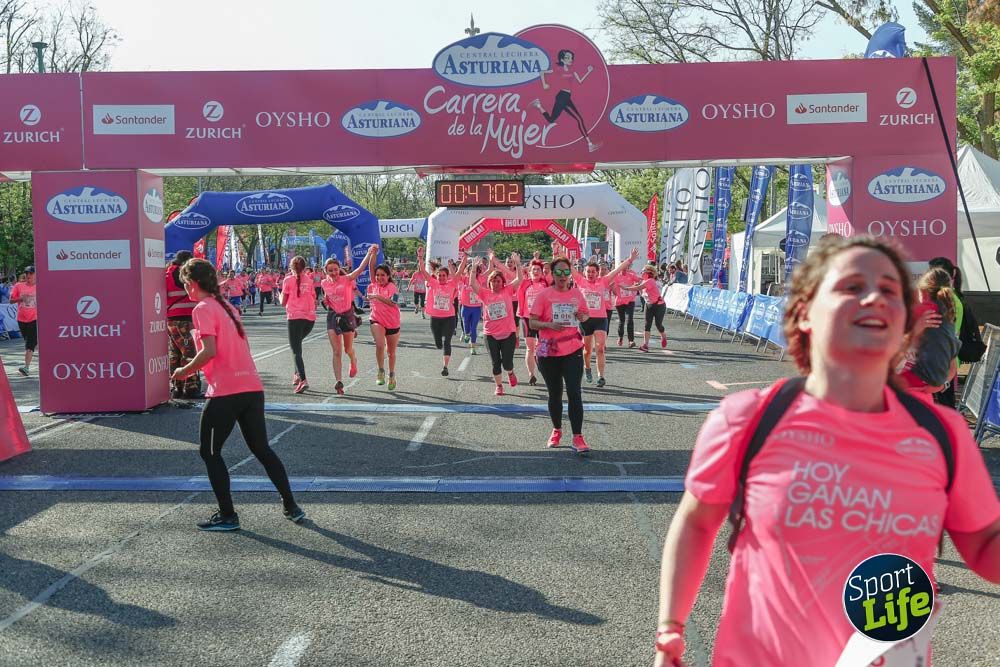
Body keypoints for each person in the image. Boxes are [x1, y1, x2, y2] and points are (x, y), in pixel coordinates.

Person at [653, 235, 1000, 667]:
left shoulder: (942, 433)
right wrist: (671, 628)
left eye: (890, 290)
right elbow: (697, 523)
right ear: (803, 313)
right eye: (852, 286)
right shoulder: (748, 420)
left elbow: (987, 544)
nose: (873, 297)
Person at [170, 258, 304, 531]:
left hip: (226, 390)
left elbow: (209, 351)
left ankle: (227, 514)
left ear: (193, 284)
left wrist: (184, 370)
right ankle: (291, 505)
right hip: (251, 387)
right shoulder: (228, 305)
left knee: (209, 452)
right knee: (262, 448)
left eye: (186, 284)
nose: (186, 290)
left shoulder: (202, 308)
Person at [528, 257, 591, 454]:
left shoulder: (577, 294)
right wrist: (548, 325)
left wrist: (583, 317)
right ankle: (556, 430)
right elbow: (531, 322)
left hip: (572, 349)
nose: (563, 276)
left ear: (570, 273)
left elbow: (586, 314)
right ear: (552, 274)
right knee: (555, 393)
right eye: (559, 272)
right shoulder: (544, 295)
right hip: (549, 352)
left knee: (574, 392)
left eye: (566, 272)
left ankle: (578, 437)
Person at [572, 249, 639, 387]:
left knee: (600, 348)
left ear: (597, 273)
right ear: (584, 272)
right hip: (585, 320)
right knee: (587, 350)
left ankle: (601, 376)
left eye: (593, 272)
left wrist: (630, 260)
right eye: (588, 272)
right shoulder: (580, 281)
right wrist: (560, 252)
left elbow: (616, 270)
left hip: (600, 319)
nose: (590, 274)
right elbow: (570, 269)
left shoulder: (603, 281)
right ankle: (587, 368)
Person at [322, 247, 376, 395]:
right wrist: (325, 301)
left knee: (347, 349)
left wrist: (369, 254)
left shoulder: (346, 279)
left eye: (335, 269)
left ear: (339, 269)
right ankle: (338, 381)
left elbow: (359, 269)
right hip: (333, 316)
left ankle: (353, 361)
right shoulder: (324, 283)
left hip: (347, 316)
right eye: (330, 270)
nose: (333, 273)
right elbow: (327, 298)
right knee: (336, 351)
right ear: (325, 271)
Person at [898, 267, 960, 393]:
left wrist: (914, 332)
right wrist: (942, 384)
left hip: (902, 389)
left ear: (923, 290)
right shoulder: (947, 315)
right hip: (923, 391)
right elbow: (952, 361)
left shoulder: (915, 312)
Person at [469, 256, 523, 395]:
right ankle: (499, 386)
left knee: (507, 363)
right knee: (495, 363)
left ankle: (510, 372)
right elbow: (473, 284)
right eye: (493, 281)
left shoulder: (508, 290)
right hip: (490, 334)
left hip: (508, 333)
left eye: (498, 281)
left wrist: (517, 264)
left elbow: (520, 279)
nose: (495, 283)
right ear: (489, 282)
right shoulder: (484, 293)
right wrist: (473, 269)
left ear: (503, 282)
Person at [530, 48, 600, 153]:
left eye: (571, 57)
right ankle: (590, 144)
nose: (570, 59)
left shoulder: (572, 70)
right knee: (579, 119)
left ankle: (539, 105)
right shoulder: (558, 68)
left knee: (551, 120)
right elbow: (542, 72)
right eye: (567, 57)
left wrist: (588, 72)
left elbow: (580, 81)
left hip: (567, 97)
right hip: (562, 97)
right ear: (562, 59)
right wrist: (544, 84)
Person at [412, 247, 467, 377]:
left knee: (447, 342)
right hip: (436, 318)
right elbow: (424, 271)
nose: (441, 277)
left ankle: (445, 366)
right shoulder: (433, 283)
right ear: (437, 276)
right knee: (438, 343)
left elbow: (459, 271)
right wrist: (420, 257)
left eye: (444, 276)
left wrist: (464, 257)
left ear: (447, 276)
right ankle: (438, 343)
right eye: (440, 275)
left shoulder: (452, 283)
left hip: (449, 318)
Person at [165, 250, 201, 399]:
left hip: (171, 318)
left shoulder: (167, 274)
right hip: (186, 318)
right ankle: (190, 386)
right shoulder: (185, 273)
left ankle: (176, 386)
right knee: (190, 352)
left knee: (175, 354)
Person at [365, 251, 402, 391]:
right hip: (376, 320)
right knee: (380, 345)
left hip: (393, 323)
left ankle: (391, 375)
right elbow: (371, 266)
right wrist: (372, 253)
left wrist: (377, 297)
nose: (379, 277)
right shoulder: (373, 284)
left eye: (383, 275)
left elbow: (393, 303)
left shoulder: (392, 287)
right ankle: (381, 371)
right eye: (377, 275)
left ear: (388, 276)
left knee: (391, 353)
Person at [280, 256, 317, 394]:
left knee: (296, 350)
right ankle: (296, 374)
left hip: (295, 318)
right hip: (310, 319)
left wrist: (279, 295)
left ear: (291, 267)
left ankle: (303, 379)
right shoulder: (309, 279)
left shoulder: (288, 280)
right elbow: (313, 297)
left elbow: (283, 302)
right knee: (297, 346)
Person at [518, 260, 550, 386]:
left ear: (542, 273)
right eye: (533, 270)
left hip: (542, 320)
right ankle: (531, 374)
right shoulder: (525, 283)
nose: (536, 272)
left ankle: (543, 368)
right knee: (530, 348)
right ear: (529, 272)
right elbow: (513, 274)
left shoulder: (546, 283)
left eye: (538, 270)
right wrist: (517, 263)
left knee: (542, 349)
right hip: (528, 319)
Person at [625, 266, 667, 352]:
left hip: (659, 305)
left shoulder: (650, 281)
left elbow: (637, 288)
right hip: (649, 305)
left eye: (643, 272)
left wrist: (626, 288)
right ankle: (645, 345)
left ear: (648, 273)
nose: (641, 273)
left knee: (658, 324)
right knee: (647, 325)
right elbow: (641, 292)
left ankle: (663, 336)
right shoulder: (644, 282)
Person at [9, 267, 37, 377]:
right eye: (27, 273)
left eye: (31, 273)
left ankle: (26, 367)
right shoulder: (18, 286)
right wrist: (21, 299)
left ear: (35, 274)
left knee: (29, 344)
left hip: (35, 318)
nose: (28, 275)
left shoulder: (39, 286)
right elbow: (11, 301)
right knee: (31, 342)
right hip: (21, 319)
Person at [459, 260, 486, 355]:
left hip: (476, 307)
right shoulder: (464, 278)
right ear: (468, 271)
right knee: (466, 325)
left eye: (474, 270)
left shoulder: (480, 278)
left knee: (473, 327)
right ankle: (466, 333)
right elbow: (456, 274)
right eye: (470, 270)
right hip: (466, 307)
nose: (472, 272)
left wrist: (491, 260)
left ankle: (472, 347)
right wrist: (463, 261)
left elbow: (490, 270)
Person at [615, 262, 641, 348]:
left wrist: (637, 284)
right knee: (622, 321)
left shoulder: (631, 274)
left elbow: (639, 280)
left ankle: (631, 340)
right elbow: (609, 284)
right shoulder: (616, 276)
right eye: (622, 267)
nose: (624, 268)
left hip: (630, 300)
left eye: (626, 267)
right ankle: (620, 337)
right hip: (620, 302)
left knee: (630, 320)